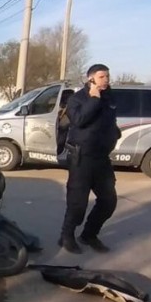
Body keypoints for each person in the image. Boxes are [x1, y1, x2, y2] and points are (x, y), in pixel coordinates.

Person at [58, 63, 121, 254]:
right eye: (102, 77)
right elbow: (79, 120)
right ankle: (66, 236)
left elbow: (110, 121)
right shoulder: (77, 99)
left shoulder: (109, 98)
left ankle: (89, 235)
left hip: (102, 159)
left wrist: (114, 134)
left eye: (108, 77)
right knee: (77, 203)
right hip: (81, 158)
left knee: (108, 201)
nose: (106, 80)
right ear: (91, 78)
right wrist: (93, 99)